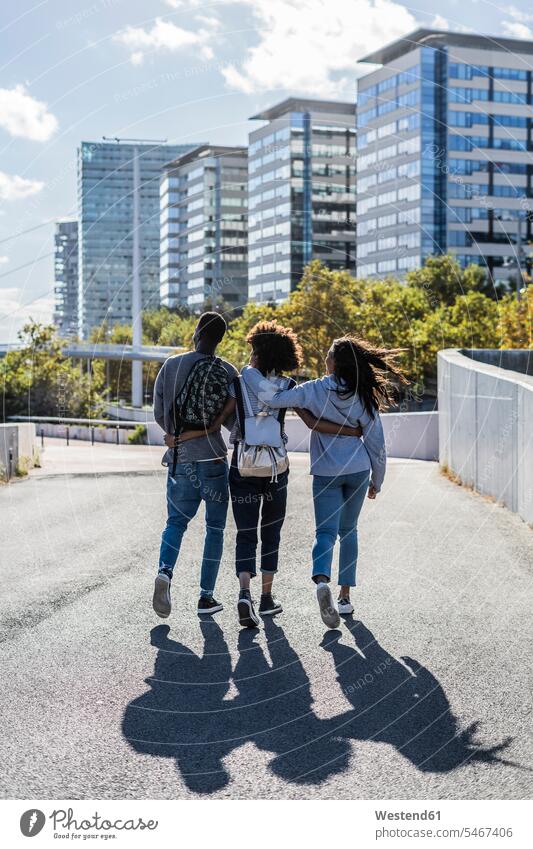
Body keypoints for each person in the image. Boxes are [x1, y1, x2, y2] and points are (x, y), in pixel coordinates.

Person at [178, 321, 363, 628]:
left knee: (245, 533)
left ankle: (243, 593)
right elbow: (312, 421)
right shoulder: (289, 387)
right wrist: (353, 430)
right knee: (271, 533)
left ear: (258, 352)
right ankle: (266, 599)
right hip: (276, 469)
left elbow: (218, 421)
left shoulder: (237, 383)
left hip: (243, 465)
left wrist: (183, 436)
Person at [258, 335, 406, 629]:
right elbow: (376, 442)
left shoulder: (313, 389)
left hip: (326, 470)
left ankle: (321, 581)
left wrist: (302, 409)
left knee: (325, 532)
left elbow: (273, 400)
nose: (325, 358)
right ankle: (345, 597)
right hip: (359, 469)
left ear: (335, 361)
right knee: (349, 531)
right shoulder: (362, 394)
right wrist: (378, 479)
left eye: (328, 354)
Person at [152, 311, 237, 619]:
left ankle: (165, 573)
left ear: (198, 331)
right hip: (214, 459)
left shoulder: (172, 365)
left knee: (175, 523)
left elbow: (159, 412)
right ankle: (206, 598)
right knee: (215, 529)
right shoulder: (228, 371)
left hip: (181, 458)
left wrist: (175, 435)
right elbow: (233, 424)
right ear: (220, 339)